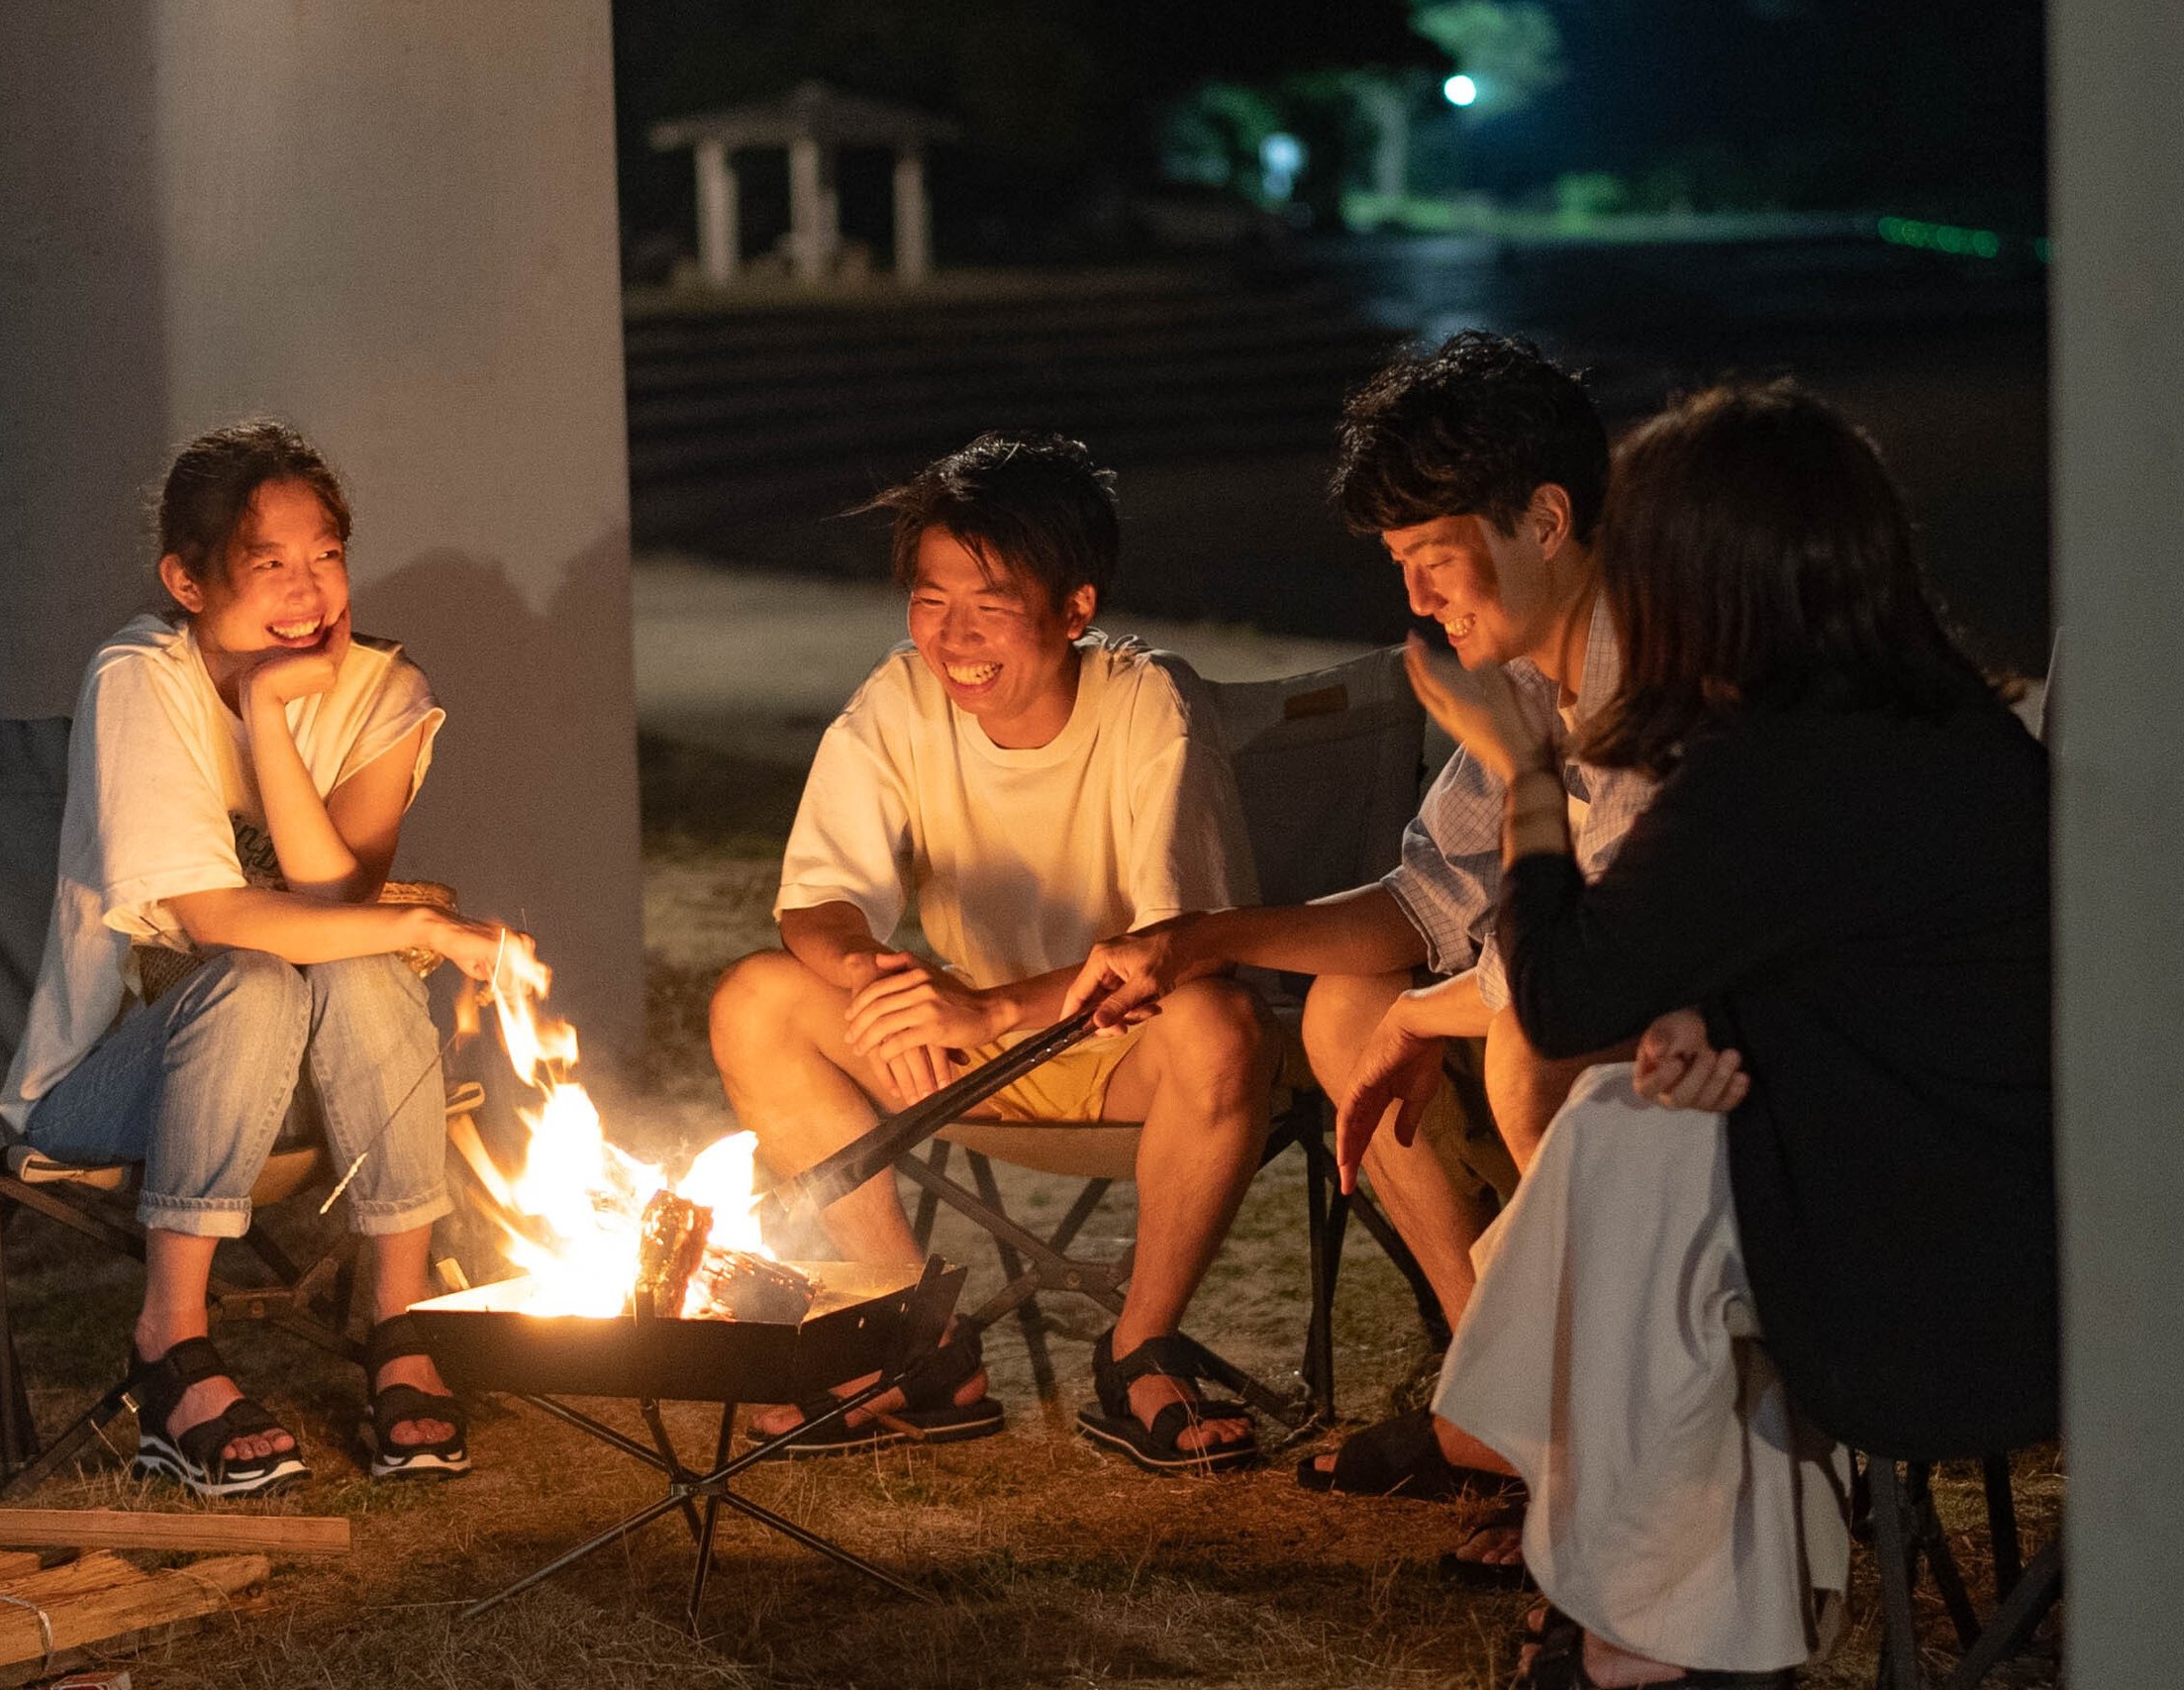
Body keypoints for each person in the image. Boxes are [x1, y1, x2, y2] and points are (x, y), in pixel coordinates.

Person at [1400, 380, 2055, 1687]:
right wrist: (1715, 1020)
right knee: (1636, 1130)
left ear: (1705, 580)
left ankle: (1635, 1629)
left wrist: (1529, 774)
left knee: (1627, 1148)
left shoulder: (1779, 764)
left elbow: (1564, 996)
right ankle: (1660, 1616)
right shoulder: (1944, 726)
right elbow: (1872, 965)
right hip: (2026, 1202)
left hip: (1947, 1270)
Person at [1066, 332, 1654, 1525]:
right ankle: (1491, 1382)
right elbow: (1424, 901)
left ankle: (1584, 1439)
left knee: (1521, 1044)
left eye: (1436, 559)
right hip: (1578, 1003)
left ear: (1547, 520)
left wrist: (1430, 1014)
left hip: (1689, 1044)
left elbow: (1597, 960)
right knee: (1351, 1005)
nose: (1418, 600)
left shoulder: (1654, 674)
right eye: (1401, 565)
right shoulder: (1525, 678)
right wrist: (1196, 943)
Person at [709, 432, 1274, 1473]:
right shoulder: (901, 698)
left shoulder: (1150, 702)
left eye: (991, 602)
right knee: (756, 998)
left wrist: (988, 1010)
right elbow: (820, 900)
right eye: (930, 599)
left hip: (1128, 1051)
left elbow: (1183, 947)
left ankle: (1139, 1350)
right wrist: (879, 976)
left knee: (1220, 1022)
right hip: (965, 1060)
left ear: (1075, 608)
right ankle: (915, 1337)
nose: (953, 635)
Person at [0, 419, 537, 1495]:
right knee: (252, 977)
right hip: (115, 1083)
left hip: (305, 1079)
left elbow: (334, 902)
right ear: (186, 582)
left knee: (355, 961)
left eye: (326, 554)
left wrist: (269, 712)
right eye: (269, 562)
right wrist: (427, 929)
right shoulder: (138, 678)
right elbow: (216, 919)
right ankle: (171, 1344)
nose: (309, 589)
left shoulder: (384, 690)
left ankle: (399, 1322)